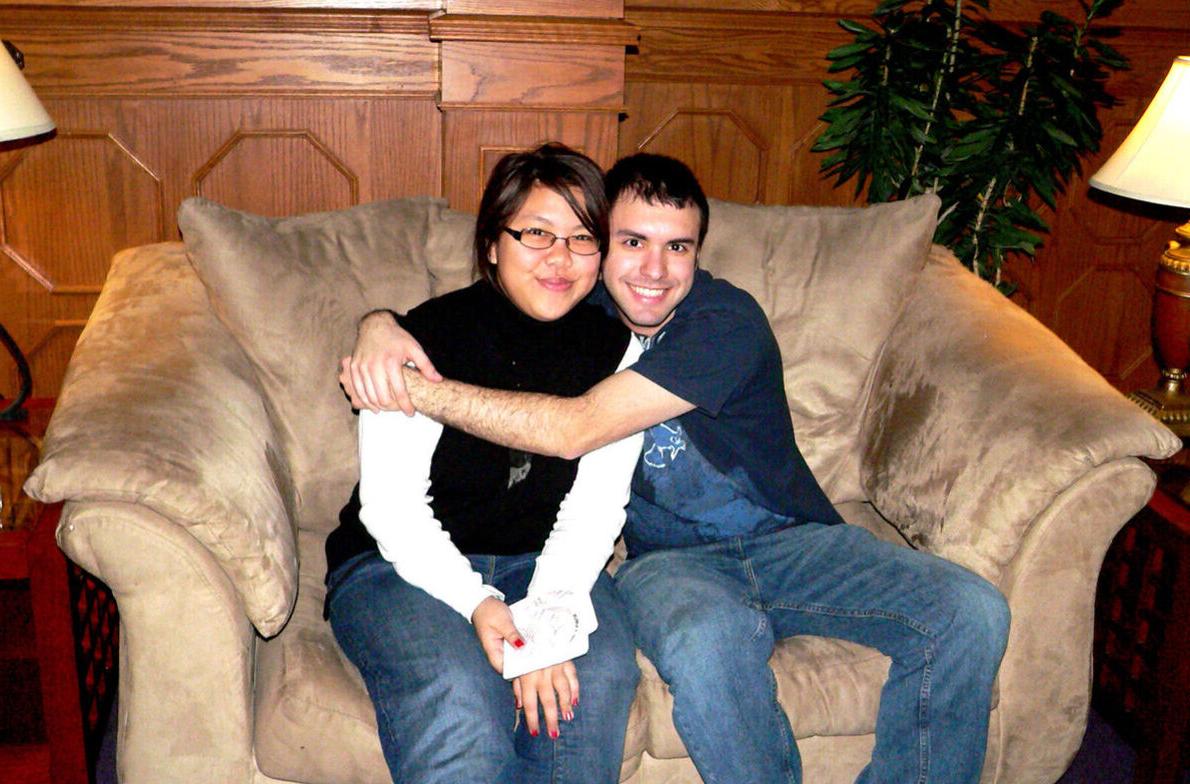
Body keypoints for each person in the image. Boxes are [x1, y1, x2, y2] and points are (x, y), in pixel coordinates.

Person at [341, 152, 1012, 784]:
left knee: (970, 610)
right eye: (631, 242)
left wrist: (416, 389)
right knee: (696, 642)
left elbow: (577, 440)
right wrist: (379, 326)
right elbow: (401, 499)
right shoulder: (564, 306)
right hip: (663, 564)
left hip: (790, 543)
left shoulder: (710, 326)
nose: (653, 270)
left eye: (678, 247)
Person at [323, 143, 642, 784]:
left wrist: (548, 618)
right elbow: (393, 510)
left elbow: (597, 506)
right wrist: (477, 603)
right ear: (492, 243)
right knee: (460, 696)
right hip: (396, 569)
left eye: (583, 238)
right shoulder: (421, 341)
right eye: (536, 234)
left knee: (595, 680)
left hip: (548, 563)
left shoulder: (618, 351)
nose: (561, 258)